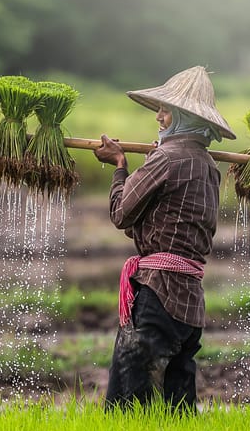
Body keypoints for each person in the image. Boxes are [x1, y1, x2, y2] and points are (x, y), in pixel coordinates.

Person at [92, 66, 236, 412]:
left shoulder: (166, 159)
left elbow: (121, 215)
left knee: (129, 396)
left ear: (183, 117)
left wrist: (119, 165)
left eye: (165, 110)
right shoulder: (207, 166)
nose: (158, 115)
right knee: (178, 400)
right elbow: (158, 223)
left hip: (159, 292)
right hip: (189, 301)